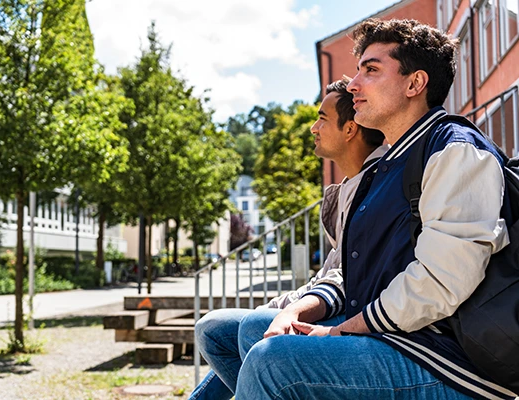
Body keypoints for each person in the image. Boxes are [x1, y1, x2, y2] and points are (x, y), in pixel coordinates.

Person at [234, 19, 517, 400]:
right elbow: (356, 273)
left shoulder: (455, 150)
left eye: (370, 70)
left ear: (414, 84)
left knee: (272, 360)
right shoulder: (387, 166)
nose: (352, 85)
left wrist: (340, 330)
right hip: (399, 337)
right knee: (250, 331)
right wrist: (303, 309)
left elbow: (442, 281)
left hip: (447, 358)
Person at [189, 77, 387, 400]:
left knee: (253, 330)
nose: (313, 128)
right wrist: (280, 306)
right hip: (332, 305)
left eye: (322, 119)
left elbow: (347, 280)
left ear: (350, 130)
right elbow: (327, 277)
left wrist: (287, 310)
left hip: (356, 318)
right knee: (211, 329)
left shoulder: (378, 186)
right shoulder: (349, 190)